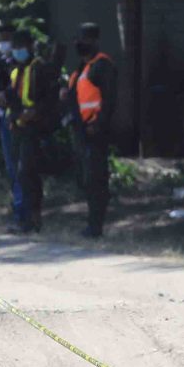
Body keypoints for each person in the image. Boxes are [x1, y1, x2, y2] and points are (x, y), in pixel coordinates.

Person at [2, 33, 54, 234]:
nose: (17, 50)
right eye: (15, 46)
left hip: (34, 129)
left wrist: (35, 113)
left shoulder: (39, 68)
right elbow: (12, 99)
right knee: (20, 173)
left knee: (27, 172)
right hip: (18, 128)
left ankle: (33, 218)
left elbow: (48, 99)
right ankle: (26, 218)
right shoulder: (16, 71)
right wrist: (11, 118)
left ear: (31, 46)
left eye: (21, 46)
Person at [69, 22, 115, 238]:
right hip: (81, 132)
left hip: (95, 131)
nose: (81, 43)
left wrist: (98, 124)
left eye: (86, 39)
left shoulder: (102, 66)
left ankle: (96, 226)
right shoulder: (81, 69)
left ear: (95, 41)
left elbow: (109, 99)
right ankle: (91, 222)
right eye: (79, 39)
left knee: (95, 178)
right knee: (86, 179)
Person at [0, 33, 35, 230]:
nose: (5, 45)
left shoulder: (31, 68)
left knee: (23, 170)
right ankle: (20, 213)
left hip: (27, 123)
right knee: (13, 169)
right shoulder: (5, 68)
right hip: (10, 121)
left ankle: (26, 215)